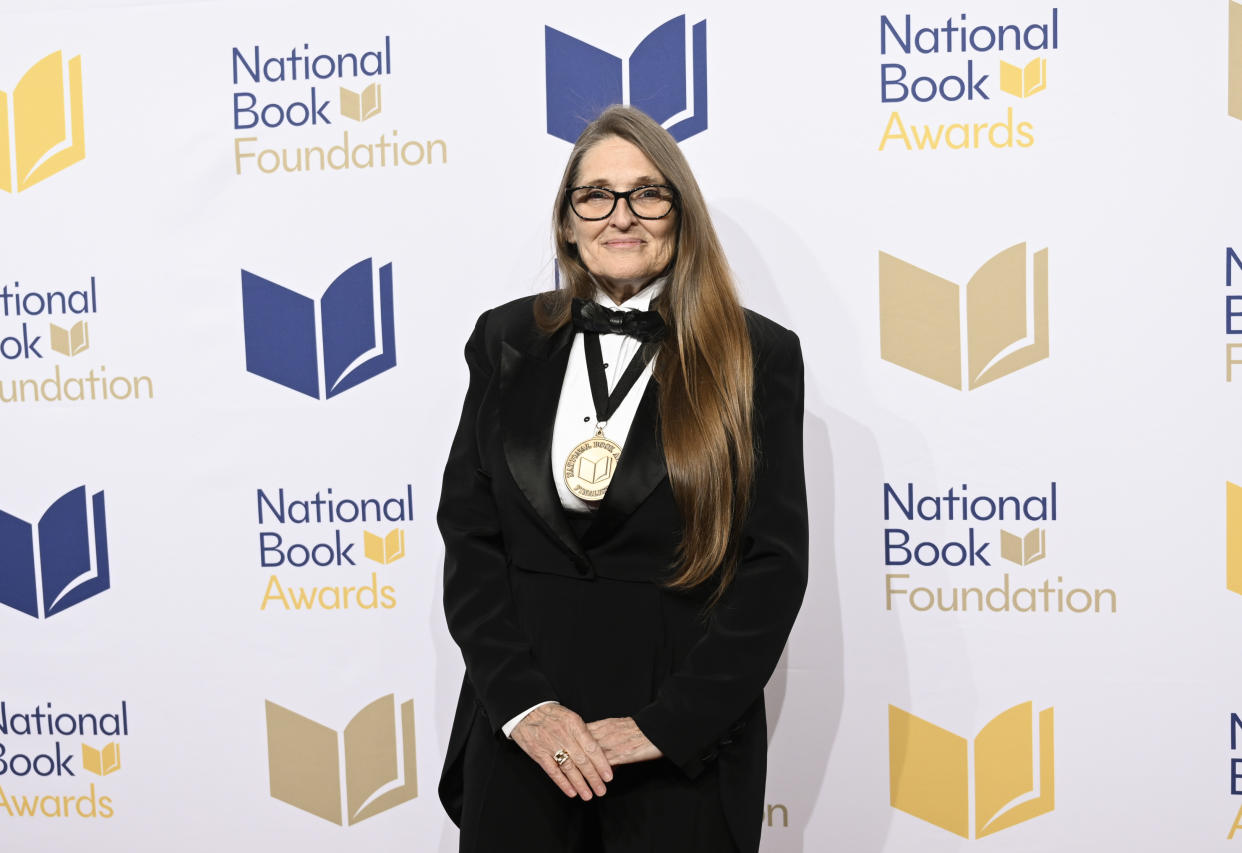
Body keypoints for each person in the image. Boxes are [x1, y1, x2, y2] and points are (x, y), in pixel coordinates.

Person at [437, 105, 808, 853]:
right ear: (568, 221)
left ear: (681, 213)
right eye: (595, 195)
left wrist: (664, 724)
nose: (621, 215)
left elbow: (772, 567)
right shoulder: (501, 339)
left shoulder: (756, 354)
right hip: (523, 744)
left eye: (648, 193)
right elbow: (470, 537)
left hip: (676, 755)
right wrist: (522, 704)